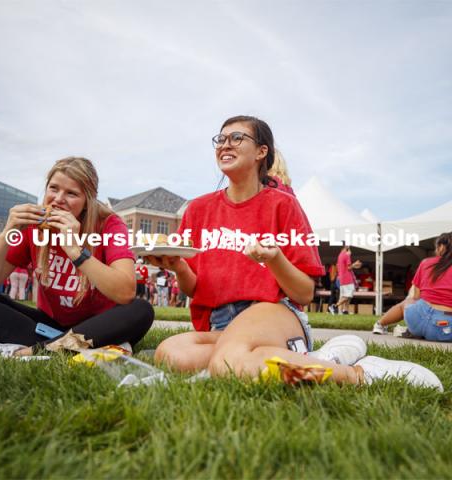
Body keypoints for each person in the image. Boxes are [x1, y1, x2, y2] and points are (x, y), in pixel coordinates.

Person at [145, 115, 442, 391]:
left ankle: (358, 374)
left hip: (274, 312)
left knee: (227, 363)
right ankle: (310, 356)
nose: (224, 144)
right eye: (220, 139)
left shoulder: (282, 205)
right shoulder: (198, 210)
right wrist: (178, 267)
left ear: (262, 151)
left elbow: (303, 293)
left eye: (236, 138)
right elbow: (195, 289)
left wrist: (275, 259)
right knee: (171, 354)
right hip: (220, 323)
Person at [0, 157, 154, 357]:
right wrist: (9, 230)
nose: (58, 198)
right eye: (53, 188)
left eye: (71, 193)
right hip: (49, 325)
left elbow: (125, 292)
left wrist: (75, 250)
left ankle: (37, 351)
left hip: (100, 326)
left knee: (141, 310)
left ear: (87, 201)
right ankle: (61, 348)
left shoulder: (110, 225)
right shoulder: (32, 224)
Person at [372, 232, 452, 341]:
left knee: (407, 302)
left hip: (417, 320)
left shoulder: (426, 263)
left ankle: (379, 325)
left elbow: (416, 296)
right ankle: (425, 332)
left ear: (442, 246)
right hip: (446, 328)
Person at [329, 245, 362, 315]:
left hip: (342, 278)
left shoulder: (340, 255)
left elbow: (346, 267)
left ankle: (345, 311)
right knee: (348, 295)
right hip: (347, 279)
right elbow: (349, 268)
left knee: (344, 295)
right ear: (347, 248)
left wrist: (354, 265)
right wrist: (355, 264)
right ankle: (334, 306)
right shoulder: (347, 255)